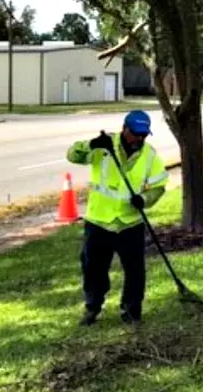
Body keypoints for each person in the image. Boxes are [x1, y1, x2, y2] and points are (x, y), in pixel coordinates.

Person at [65, 110, 169, 327]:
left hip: (130, 223)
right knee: (93, 268)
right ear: (124, 129)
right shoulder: (103, 147)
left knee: (135, 271)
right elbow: (72, 155)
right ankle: (92, 307)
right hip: (99, 222)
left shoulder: (149, 154)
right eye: (135, 134)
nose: (139, 139)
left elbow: (159, 185)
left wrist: (144, 199)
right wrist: (91, 145)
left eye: (143, 135)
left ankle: (131, 312)